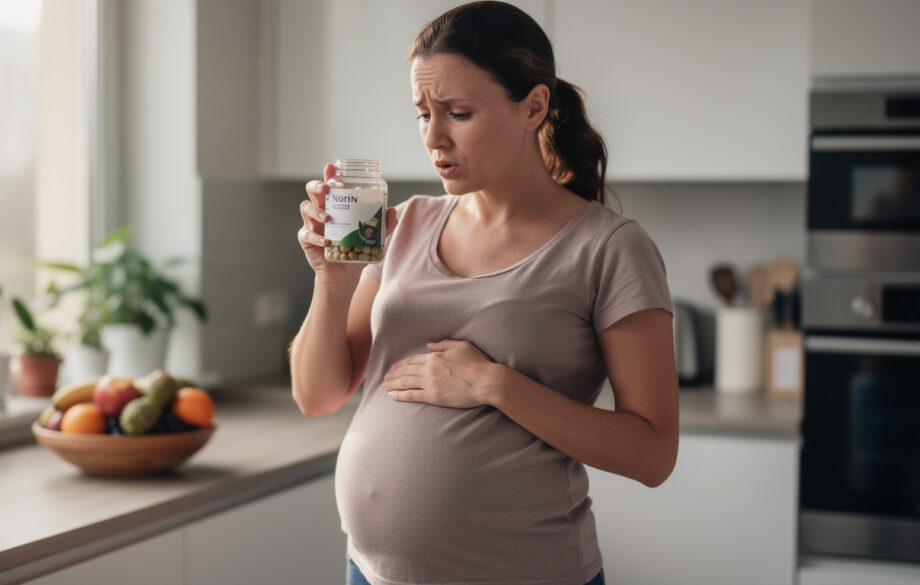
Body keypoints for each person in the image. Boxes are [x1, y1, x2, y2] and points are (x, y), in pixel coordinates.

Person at [290, 2, 678, 584]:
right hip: (369, 574)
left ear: (535, 106)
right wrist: (332, 283)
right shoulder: (407, 224)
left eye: (459, 113)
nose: (434, 137)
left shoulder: (608, 247)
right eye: (422, 114)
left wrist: (495, 385)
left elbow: (652, 454)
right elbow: (316, 396)